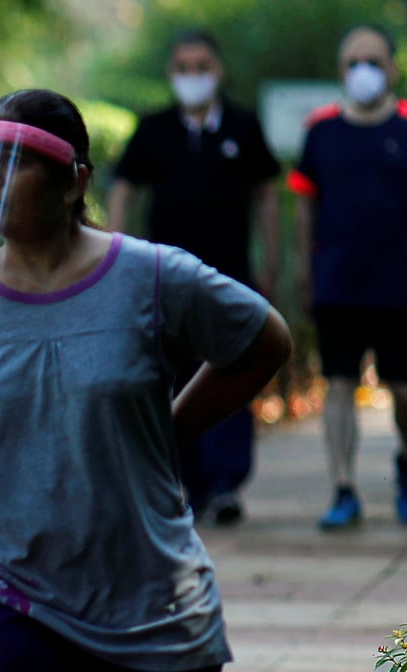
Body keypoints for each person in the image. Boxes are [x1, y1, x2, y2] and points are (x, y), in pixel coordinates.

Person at [0, 89, 292, 672]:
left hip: (148, 605)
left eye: (16, 162)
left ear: (76, 181)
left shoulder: (153, 278)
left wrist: (170, 429)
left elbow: (263, 342)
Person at [289, 24, 407, 531]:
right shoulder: (321, 129)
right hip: (338, 281)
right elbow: (304, 205)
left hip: (401, 283)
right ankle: (343, 489)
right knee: (338, 385)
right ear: (341, 70)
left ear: (392, 67)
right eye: (352, 62)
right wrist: (305, 270)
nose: (362, 71)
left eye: (373, 61)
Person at [108, 29, 283, 526]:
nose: (193, 76)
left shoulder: (245, 127)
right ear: (171, 73)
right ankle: (187, 483)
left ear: (218, 69)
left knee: (231, 370)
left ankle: (227, 483)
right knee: (172, 378)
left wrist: (270, 259)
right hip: (162, 281)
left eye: (201, 65)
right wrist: (116, 257)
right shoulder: (154, 129)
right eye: (183, 67)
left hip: (232, 276)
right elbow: (123, 189)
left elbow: (267, 195)